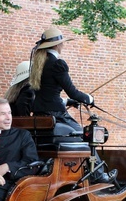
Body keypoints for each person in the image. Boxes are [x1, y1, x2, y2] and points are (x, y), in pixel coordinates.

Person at [29, 27, 115, 184]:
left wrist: (67, 102)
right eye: (61, 44)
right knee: (85, 136)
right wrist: (89, 98)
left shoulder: (37, 64)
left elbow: (47, 93)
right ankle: (98, 174)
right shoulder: (58, 64)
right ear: (56, 45)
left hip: (40, 116)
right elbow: (73, 92)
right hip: (56, 115)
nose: (62, 46)